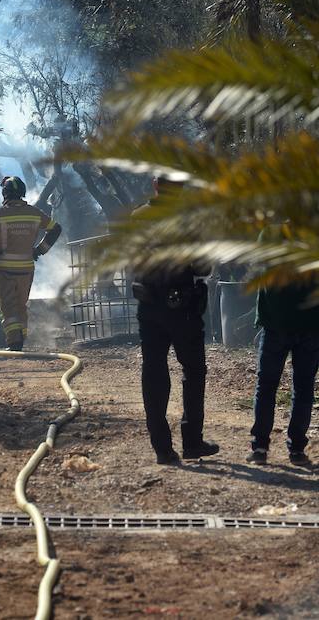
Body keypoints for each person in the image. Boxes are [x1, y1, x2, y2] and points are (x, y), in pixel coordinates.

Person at [132, 176, 219, 465]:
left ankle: (162, 449)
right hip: (183, 309)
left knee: (154, 372)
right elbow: (203, 266)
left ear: (155, 185)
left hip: (149, 308)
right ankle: (192, 442)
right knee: (194, 372)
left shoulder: (138, 218)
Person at [247, 226, 319, 467]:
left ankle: (260, 447)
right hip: (310, 323)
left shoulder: (270, 231)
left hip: (276, 324)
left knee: (266, 386)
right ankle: (297, 449)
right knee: (303, 388)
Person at [0, 176, 62, 350]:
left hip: (4, 270)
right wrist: (40, 250)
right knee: (21, 306)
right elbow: (56, 229)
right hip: (26, 269)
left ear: (5, 193)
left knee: (8, 307)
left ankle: (14, 342)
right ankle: (20, 338)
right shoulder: (33, 212)